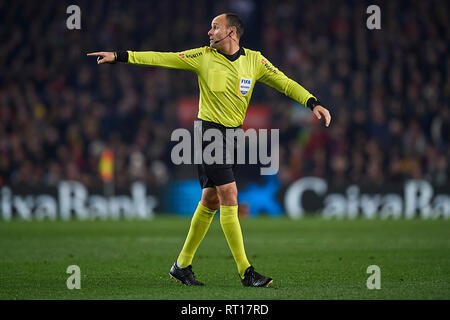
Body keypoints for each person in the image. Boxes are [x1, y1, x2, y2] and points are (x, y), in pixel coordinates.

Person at [87, 13, 331, 287]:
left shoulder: (255, 61)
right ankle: (246, 271)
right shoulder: (203, 56)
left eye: (215, 27)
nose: (209, 32)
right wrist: (121, 56)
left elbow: (285, 83)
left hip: (232, 137)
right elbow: (163, 57)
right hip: (209, 135)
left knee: (211, 201)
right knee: (230, 195)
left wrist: (313, 102)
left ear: (232, 33)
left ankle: (181, 265)